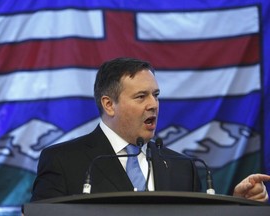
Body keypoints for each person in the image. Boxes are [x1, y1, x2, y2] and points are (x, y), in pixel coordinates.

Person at [30, 57, 270, 202]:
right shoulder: (63, 160)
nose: (153, 105)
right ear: (108, 104)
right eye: (141, 96)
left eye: (155, 95)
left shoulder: (182, 167)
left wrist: (238, 205)